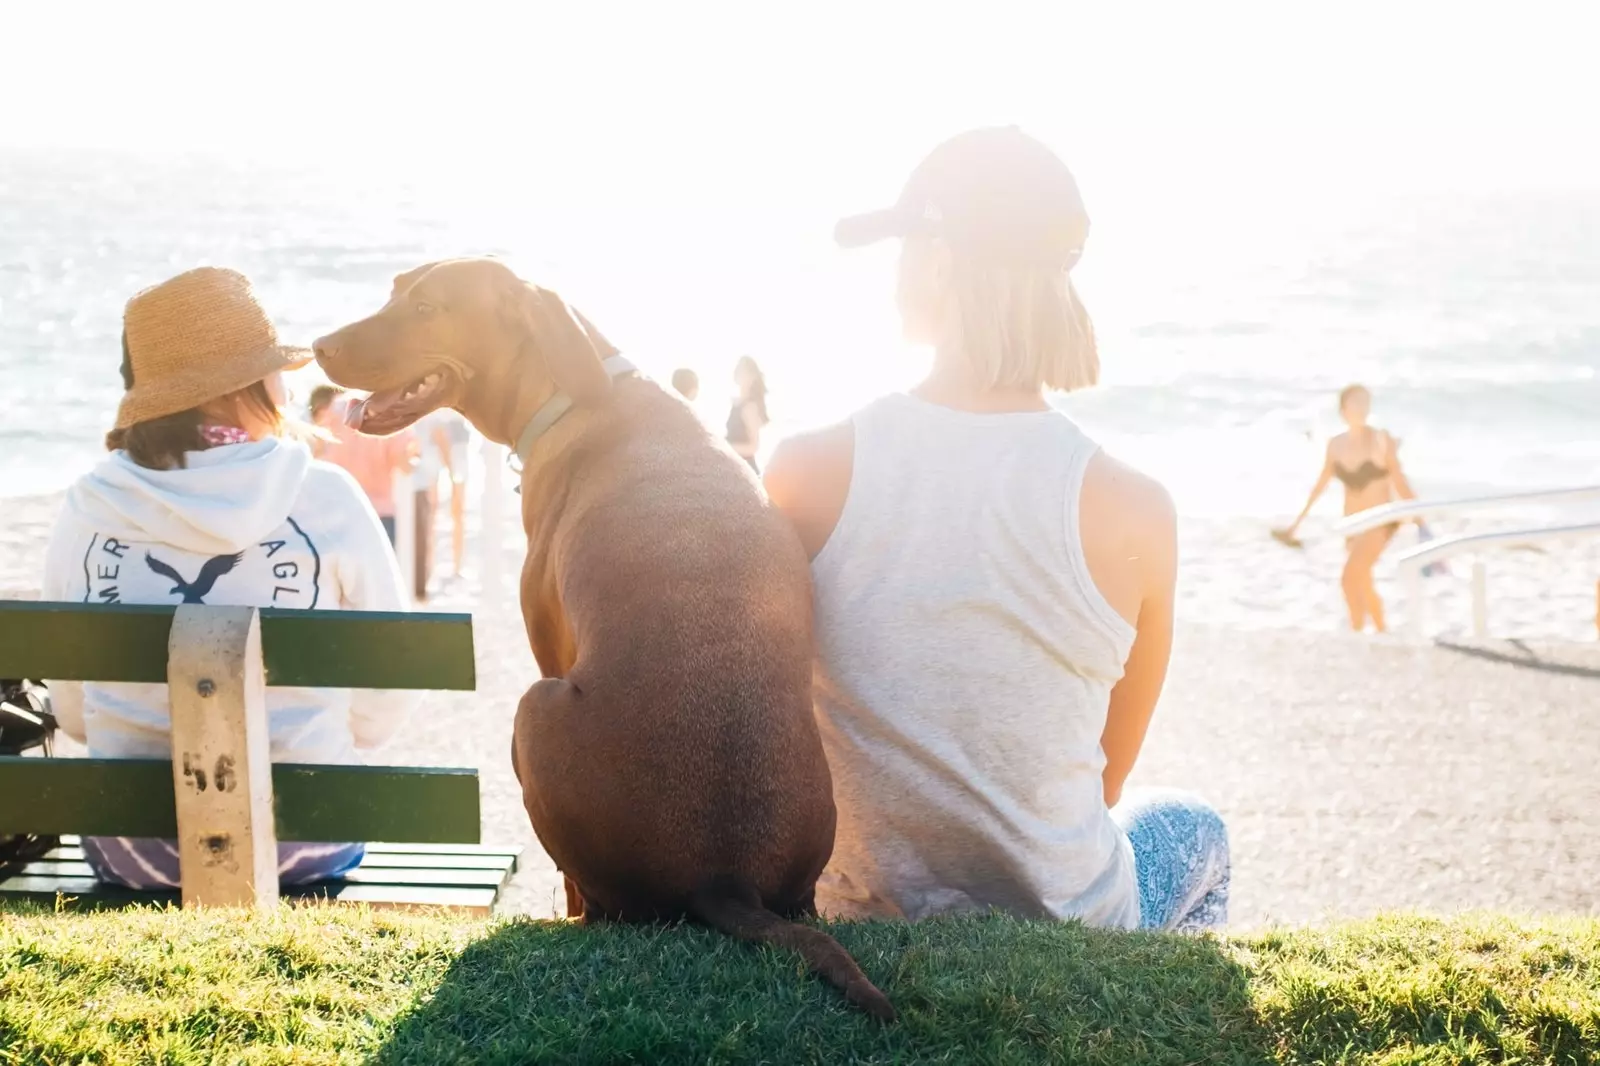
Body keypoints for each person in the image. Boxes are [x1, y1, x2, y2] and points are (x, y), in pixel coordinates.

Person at [764, 127, 1228, 932]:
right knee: (1197, 828)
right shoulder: (1137, 508)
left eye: (906, 244)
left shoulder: (808, 469)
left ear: (939, 260)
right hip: (1069, 919)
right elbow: (1105, 782)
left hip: (860, 911)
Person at [40, 266, 416, 890]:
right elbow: (391, 679)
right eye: (273, 367)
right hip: (307, 834)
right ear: (252, 383)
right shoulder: (323, 494)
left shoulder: (89, 503)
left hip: (133, 846)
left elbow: (74, 716)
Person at [1276, 384, 1417, 633]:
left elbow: (1399, 480)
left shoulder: (1381, 440)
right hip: (1352, 523)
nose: (1362, 408)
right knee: (1362, 581)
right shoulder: (1336, 445)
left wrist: (1421, 521)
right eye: (1356, 402)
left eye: (1365, 402)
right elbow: (1320, 486)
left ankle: (1357, 633)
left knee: (1349, 578)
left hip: (1381, 521)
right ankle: (1382, 631)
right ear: (1343, 409)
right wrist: (1296, 524)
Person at [315, 388, 416, 546]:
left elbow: (318, 449)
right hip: (379, 514)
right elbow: (406, 466)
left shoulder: (338, 406)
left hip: (340, 511)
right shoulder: (393, 411)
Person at [726, 356, 769, 471]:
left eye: (744, 372)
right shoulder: (737, 403)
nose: (741, 375)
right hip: (734, 465)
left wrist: (727, 447)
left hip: (745, 469)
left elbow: (753, 447)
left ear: (752, 377)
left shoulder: (750, 407)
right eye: (739, 370)